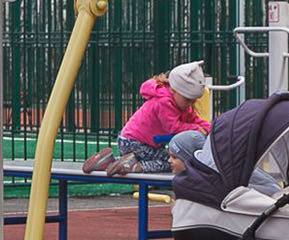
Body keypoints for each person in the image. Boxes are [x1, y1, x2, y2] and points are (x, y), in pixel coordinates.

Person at [83, 61, 211, 175]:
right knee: (170, 162)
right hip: (135, 143)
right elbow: (173, 127)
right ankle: (135, 166)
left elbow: (192, 119)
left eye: (193, 101)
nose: (189, 104)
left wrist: (210, 128)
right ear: (174, 90)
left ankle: (106, 161)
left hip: (134, 141)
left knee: (168, 158)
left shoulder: (179, 103)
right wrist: (196, 129)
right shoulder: (164, 102)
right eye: (187, 99)